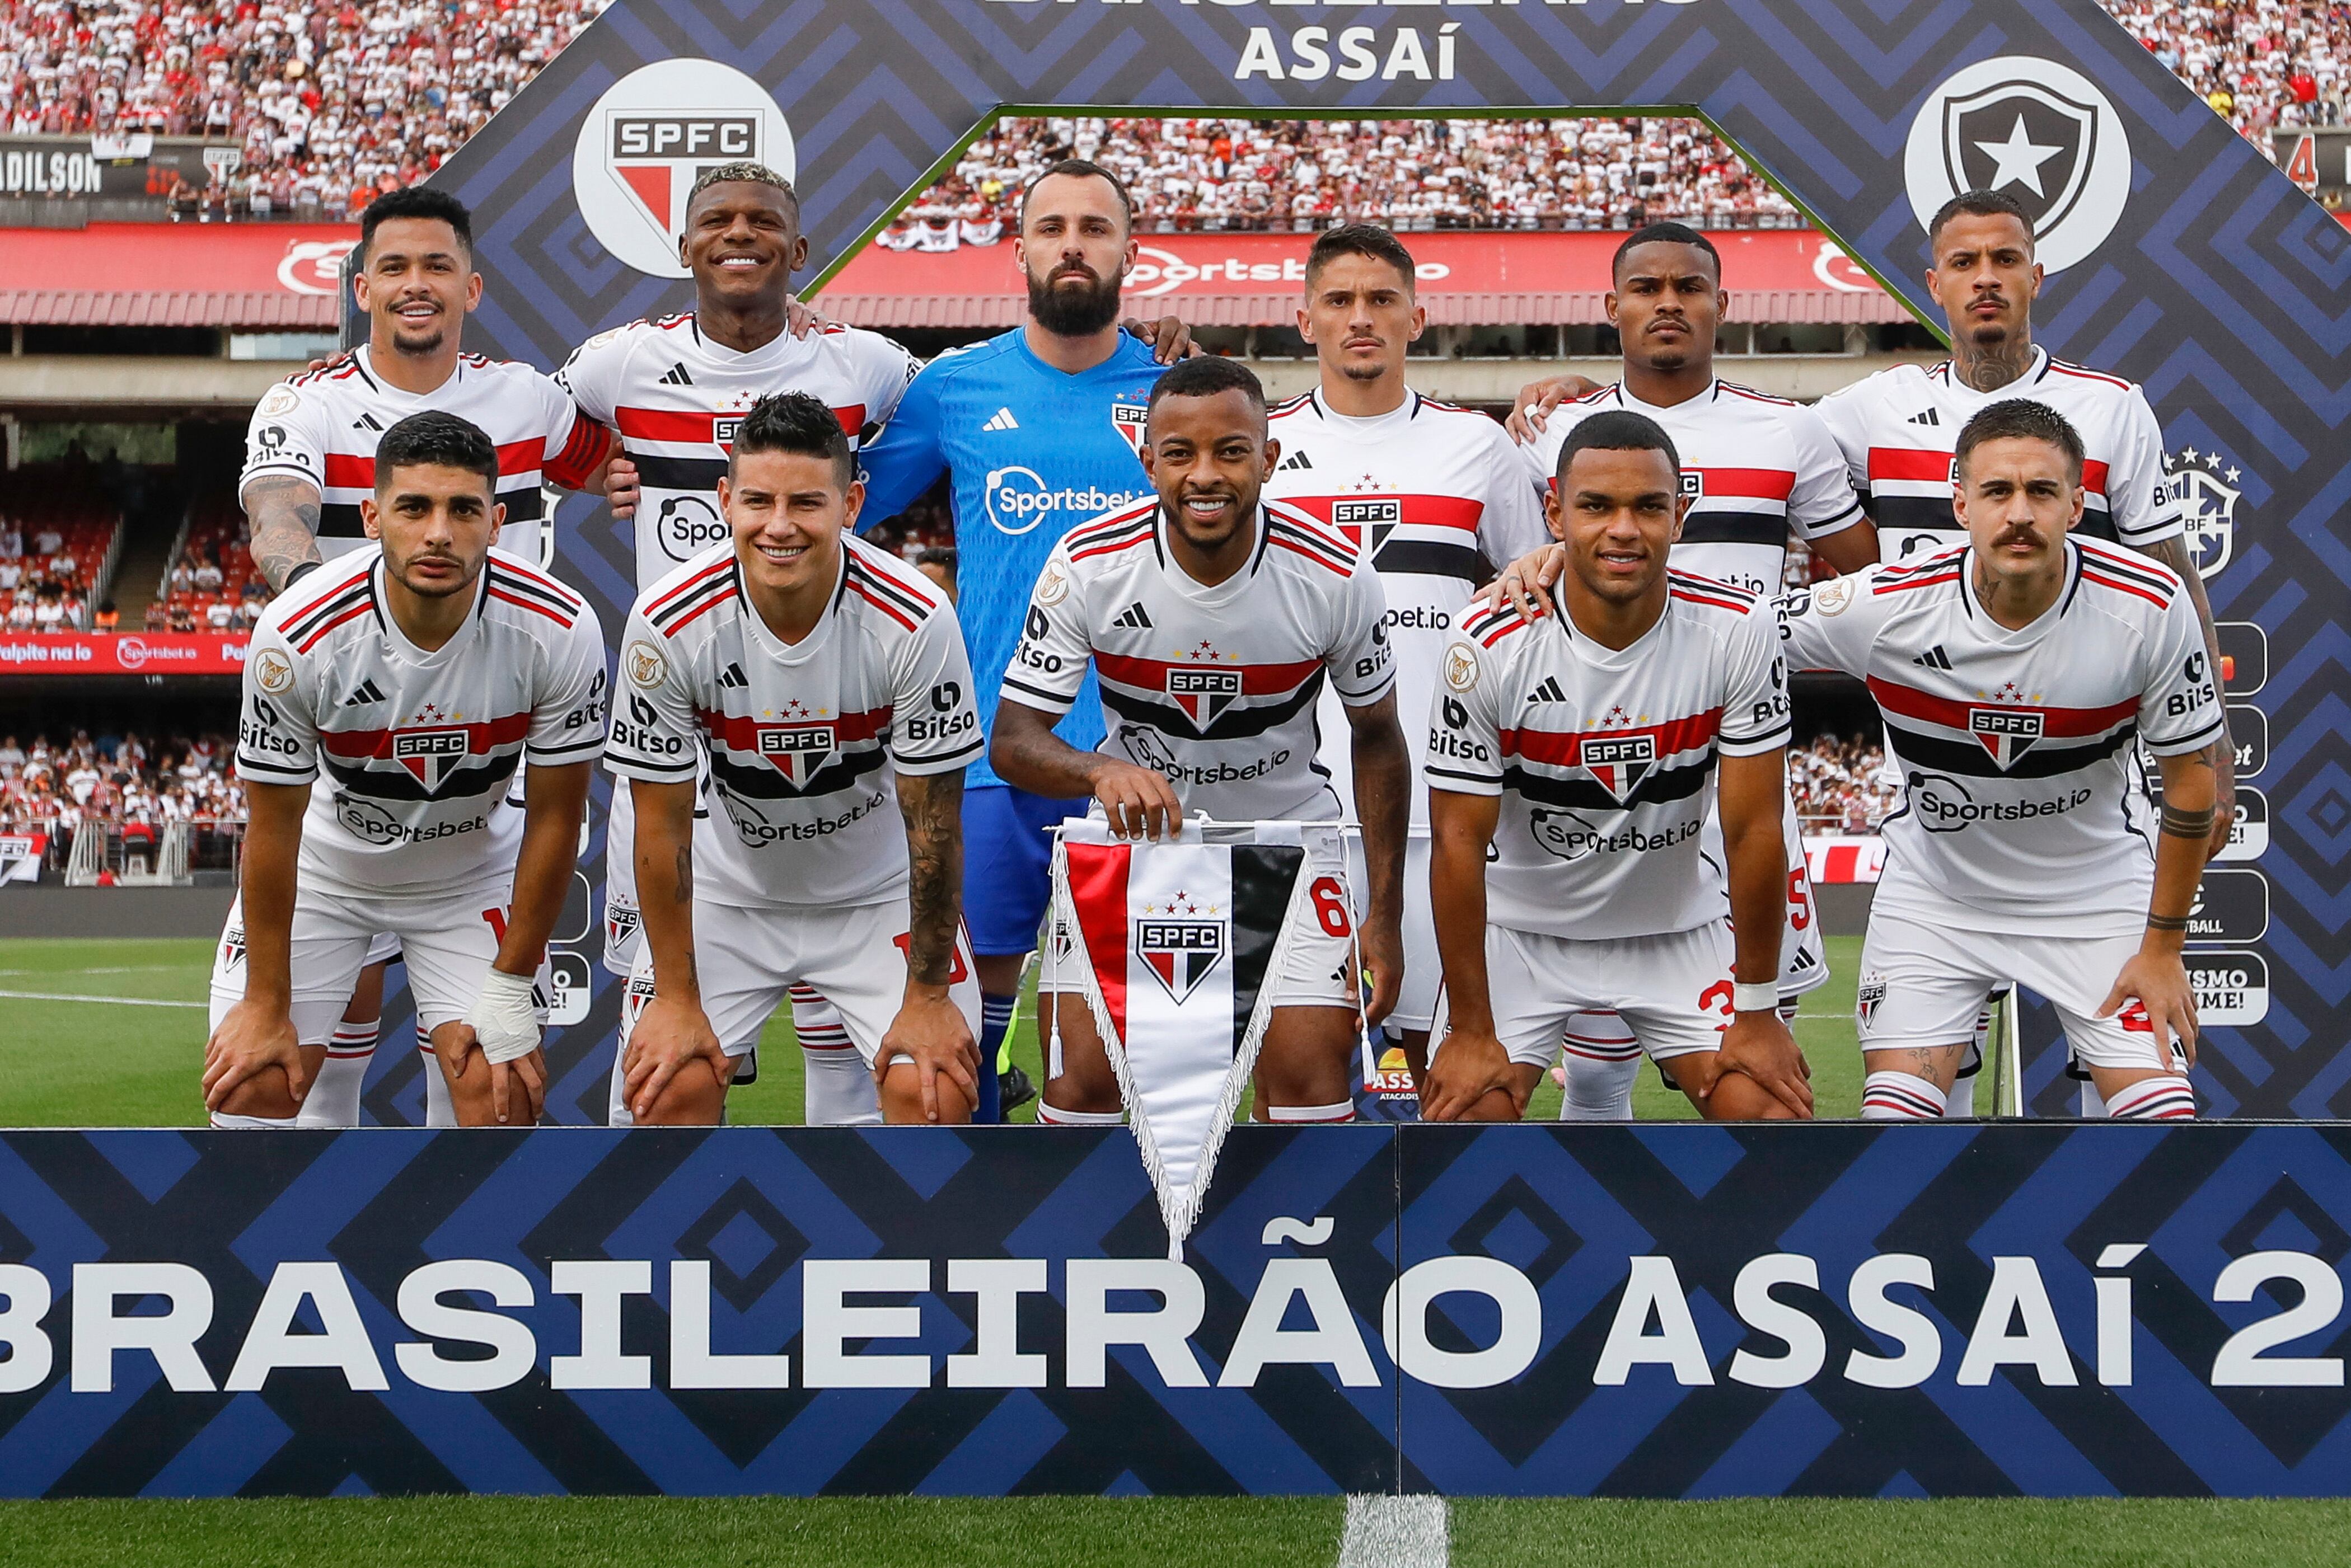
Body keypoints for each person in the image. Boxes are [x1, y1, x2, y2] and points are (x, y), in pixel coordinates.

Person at [236, 185, 637, 1125]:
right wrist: (319, 616)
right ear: (362, 286)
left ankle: (463, 1258)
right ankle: (308, 1245)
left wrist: (787, 326)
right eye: (397, 268)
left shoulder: (532, 401)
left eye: (437, 267)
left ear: (473, 287)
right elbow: (275, 513)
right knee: (293, 1065)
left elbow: (634, 451)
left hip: (487, 753)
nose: (418, 285)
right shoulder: (308, 402)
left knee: (493, 1091)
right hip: (349, 740)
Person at [556, 160, 922, 1126]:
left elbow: (958, 414)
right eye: (716, 219)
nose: (740, 234)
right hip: (685, 732)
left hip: (833, 716)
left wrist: (1150, 353)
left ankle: (851, 1236)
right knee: (672, 1046)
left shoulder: (866, 364)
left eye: (765, 221)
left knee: (846, 1031)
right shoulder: (619, 363)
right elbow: (537, 430)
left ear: (799, 252)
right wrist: (603, 470)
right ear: (684, 248)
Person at [1501, 222, 1878, 1120]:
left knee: (1762, 1046)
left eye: (1689, 287)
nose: (1668, 302)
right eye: (1646, 288)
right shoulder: (1552, 430)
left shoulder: (1790, 430)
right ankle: (1597, 1190)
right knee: (1595, 1050)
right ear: (1612, 308)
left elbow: (1865, 577)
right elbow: (1515, 576)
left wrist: (1767, 632)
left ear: (1721, 305)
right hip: (1591, 761)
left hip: (1739, 757)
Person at [990, 355, 1410, 1129]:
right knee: (1081, 1083)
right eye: (1179, 454)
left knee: (1309, 1086)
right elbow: (1013, 742)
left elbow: (1378, 738)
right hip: (1135, 847)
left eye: (1231, 451)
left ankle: (1289, 1253)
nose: (1205, 475)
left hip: (1287, 844)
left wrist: (1383, 913)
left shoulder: (1335, 570)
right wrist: (1098, 769)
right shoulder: (1089, 563)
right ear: (1148, 459)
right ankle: (1101, 1251)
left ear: (1269, 457)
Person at [858, 158, 1192, 1123]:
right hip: (995, 750)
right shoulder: (953, 390)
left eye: (1096, 227)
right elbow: (836, 510)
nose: (1074, 244)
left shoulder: (1177, 393)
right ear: (1021, 252)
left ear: (1134, 251)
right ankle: (976, 1227)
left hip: (1143, 757)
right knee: (966, 1034)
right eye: (1053, 228)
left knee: (1111, 1044)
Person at [1779, 401, 2218, 1121]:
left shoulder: (2148, 604)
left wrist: (2163, 948)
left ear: (2078, 504)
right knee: (1895, 1130)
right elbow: (1728, 631)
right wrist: (1563, 570)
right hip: (1938, 899)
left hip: (2097, 896)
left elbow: (2192, 777)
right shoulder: (1885, 604)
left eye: (2042, 492)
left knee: (2162, 1133)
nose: (2020, 513)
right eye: (1996, 492)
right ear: (1960, 502)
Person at [202, 412, 606, 1130]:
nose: (438, 533)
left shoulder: (559, 627)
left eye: (464, 509)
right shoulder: (298, 633)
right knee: (252, 1087)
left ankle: (465, 1248)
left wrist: (512, 984)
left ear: (496, 519)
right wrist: (265, 1004)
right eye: (414, 507)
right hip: (328, 875)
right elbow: (271, 826)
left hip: (467, 879)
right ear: (371, 516)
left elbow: (555, 817)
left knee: (498, 1095)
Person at [1804, 190, 2234, 865]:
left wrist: (2217, 751)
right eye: (1964, 261)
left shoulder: (2110, 410)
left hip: (2081, 774)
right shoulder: (1875, 409)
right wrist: (1578, 411)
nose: (1985, 277)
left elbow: (2176, 585)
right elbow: (1741, 443)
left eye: (2006, 259)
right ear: (1934, 284)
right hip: (1926, 779)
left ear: (2034, 278)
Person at [1419, 410, 1812, 1124]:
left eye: (1649, 507)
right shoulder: (1485, 642)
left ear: (1680, 513)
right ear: (1555, 513)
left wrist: (1756, 1010)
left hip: (1677, 931)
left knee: (1771, 1116)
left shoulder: (1738, 628)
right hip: (1524, 936)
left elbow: (1755, 827)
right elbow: (1456, 843)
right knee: (1467, 1122)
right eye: (1597, 506)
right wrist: (1471, 1028)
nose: (1624, 529)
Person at [603, 394, 984, 1126]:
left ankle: (895, 1245)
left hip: (876, 900)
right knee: (664, 1088)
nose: (779, 526)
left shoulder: (914, 617)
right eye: (758, 501)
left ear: (851, 504)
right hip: (728, 897)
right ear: (724, 499)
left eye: (807, 502)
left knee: (933, 1091)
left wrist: (929, 997)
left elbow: (935, 825)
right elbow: (660, 826)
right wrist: (677, 999)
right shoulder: (668, 618)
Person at [1260, 222, 1548, 1101]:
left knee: (1450, 1079)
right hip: (1294, 818)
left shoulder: (1478, 449)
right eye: (1340, 300)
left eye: (1382, 300)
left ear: (1417, 318)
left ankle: (1445, 1240)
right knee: (1297, 1077)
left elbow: (1532, 603)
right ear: (1303, 319)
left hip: (1440, 817)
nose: (1361, 318)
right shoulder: (1260, 453)